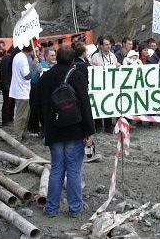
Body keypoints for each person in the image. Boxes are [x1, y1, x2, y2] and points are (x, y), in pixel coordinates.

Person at [32, 46, 96, 218]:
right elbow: (84, 104)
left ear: (56, 58)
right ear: (73, 60)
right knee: (74, 170)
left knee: (56, 169)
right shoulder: (76, 76)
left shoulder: (46, 77)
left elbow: (36, 103)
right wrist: (89, 131)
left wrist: (41, 125)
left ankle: (52, 208)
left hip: (54, 130)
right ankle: (75, 209)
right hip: (74, 129)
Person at [89, 36, 118, 133]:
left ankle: (108, 125)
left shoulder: (113, 56)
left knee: (108, 104)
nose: (108, 46)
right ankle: (97, 125)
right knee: (98, 104)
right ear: (100, 46)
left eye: (109, 44)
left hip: (110, 85)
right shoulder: (95, 57)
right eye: (106, 44)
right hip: (98, 85)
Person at [10, 45, 34, 140]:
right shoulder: (23, 58)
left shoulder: (18, 56)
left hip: (20, 89)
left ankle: (23, 132)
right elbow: (27, 76)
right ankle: (17, 135)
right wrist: (34, 67)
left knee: (25, 113)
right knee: (21, 115)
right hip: (21, 90)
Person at [0, 47, 19, 125]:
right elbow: (4, 74)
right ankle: (5, 120)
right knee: (7, 103)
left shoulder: (9, 58)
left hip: (10, 84)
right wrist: (7, 85)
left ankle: (10, 117)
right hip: (7, 84)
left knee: (11, 103)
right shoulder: (7, 59)